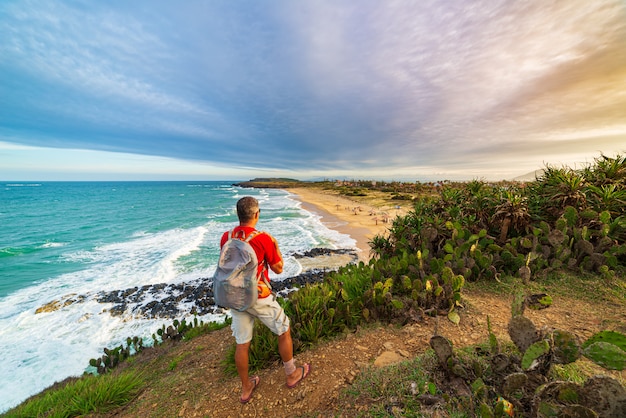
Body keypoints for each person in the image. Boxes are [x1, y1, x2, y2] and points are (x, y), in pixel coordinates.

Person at [220, 196, 311, 404]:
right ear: (257, 214)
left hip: (235, 297)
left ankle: (246, 388)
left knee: (242, 344)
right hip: (259, 296)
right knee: (283, 329)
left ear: (238, 215)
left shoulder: (227, 236)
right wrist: (276, 246)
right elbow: (279, 268)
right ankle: (291, 374)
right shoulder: (263, 238)